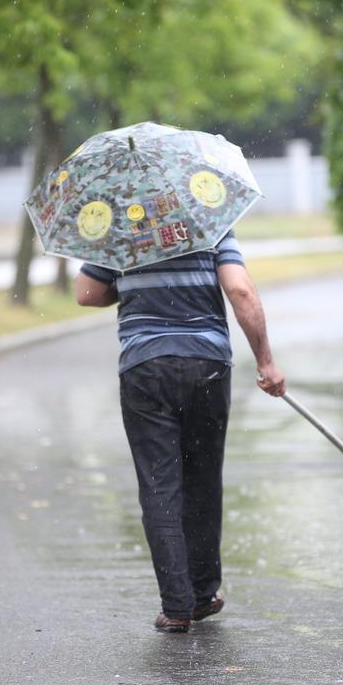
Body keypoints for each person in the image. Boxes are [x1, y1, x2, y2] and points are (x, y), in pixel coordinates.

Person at [75, 231, 286, 633]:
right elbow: (240, 290)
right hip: (205, 363)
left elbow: (86, 293)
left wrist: (132, 284)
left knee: (159, 486)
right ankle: (203, 594)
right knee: (202, 480)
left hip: (144, 366)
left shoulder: (118, 225)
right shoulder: (210, 219)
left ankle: (176, 607)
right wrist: (266, 361)